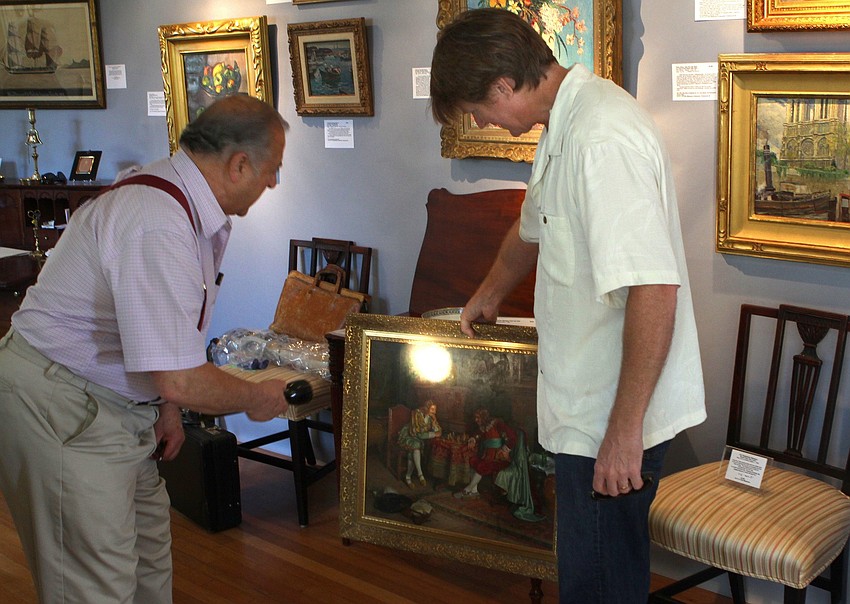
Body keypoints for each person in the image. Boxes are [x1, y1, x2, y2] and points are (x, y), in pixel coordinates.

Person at [430, 9, 706, 603]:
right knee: (590, 576)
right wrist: (489, 292)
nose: (479, 122)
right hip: (586, 404)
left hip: (611, 414)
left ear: (504, 85)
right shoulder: (564, 122)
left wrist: (624, 434)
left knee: (598, 585)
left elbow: (655, 289)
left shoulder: (600, 138)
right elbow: (532, 226)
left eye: (477, 109)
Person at [0, 95, 293, 604]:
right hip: (63, 406)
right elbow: (179, 376)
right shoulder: (157, 220)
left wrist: (166, 408)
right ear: (239, 164)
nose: (273, 183)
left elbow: (163, 335)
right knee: (92, 586)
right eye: (273, 170)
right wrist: (256, 396)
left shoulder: (177, 203)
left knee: (148, 563)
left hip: (109, 405)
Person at [397, 400, 442, 487]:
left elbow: (439, 431)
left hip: (418, 440)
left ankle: (408, 477)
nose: (435, 412)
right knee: (416, 445)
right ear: (426, 408)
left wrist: (434, 422)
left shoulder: (430, 417)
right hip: (409, 435)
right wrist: (434, 434)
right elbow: (419, 434)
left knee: (414, 449)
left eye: (435, 410)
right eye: (432, 409)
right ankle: (420, 474)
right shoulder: (416, 413)